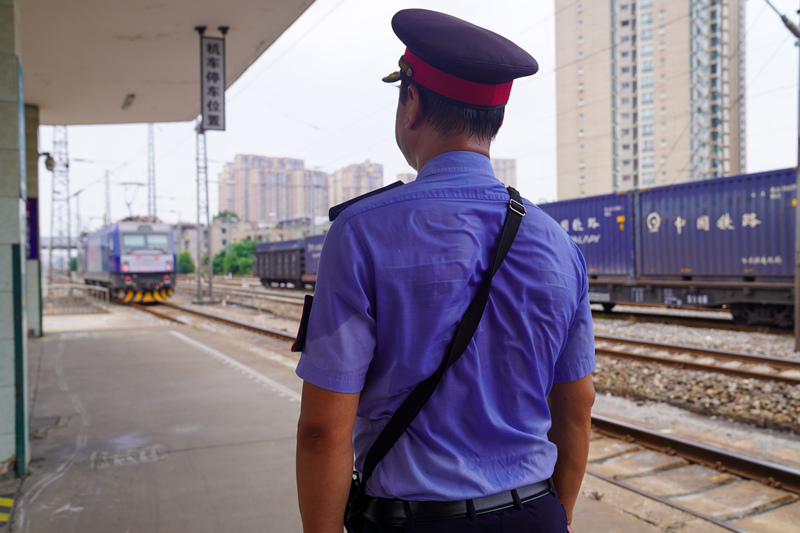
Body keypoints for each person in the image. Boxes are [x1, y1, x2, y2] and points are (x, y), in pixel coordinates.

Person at [295, 8, 595, 533]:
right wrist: (555, 519)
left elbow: (323, 429)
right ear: (494, 119)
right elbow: (576, 409)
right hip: (535, 514)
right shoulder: (558, 244)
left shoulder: (361, 232)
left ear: (411, 102)